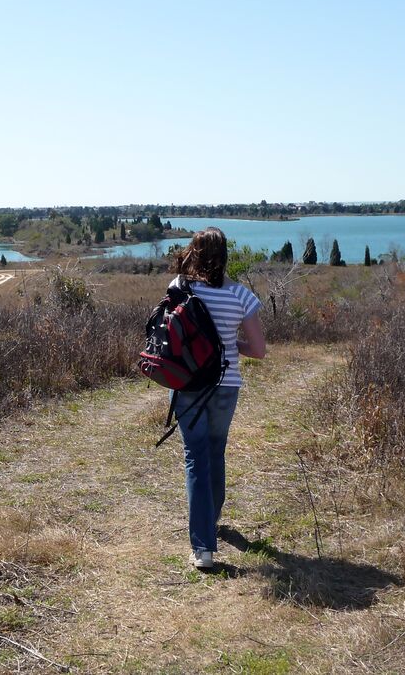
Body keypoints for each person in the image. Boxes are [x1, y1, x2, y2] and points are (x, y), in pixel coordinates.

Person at [168, 227, 266, 569]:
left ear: (194, 252)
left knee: (195, 457)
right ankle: (212, 520)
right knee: (215, 451)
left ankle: (203, 548)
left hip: (189, 383)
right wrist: (228, 347)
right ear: (225, 256)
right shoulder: (241, 296)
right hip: (226, 385)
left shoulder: (182, 291)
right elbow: (259, 350)